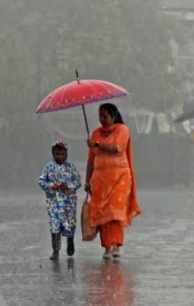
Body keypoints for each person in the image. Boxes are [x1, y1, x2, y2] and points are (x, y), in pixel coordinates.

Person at [85, 103, 142, 259]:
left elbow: (117, 148)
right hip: (100, 180)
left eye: (105, 116)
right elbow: (91, 160)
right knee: (103, 213)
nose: (102, 119)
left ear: (114, 116)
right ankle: (107, 247)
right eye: (100, 116)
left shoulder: (122, 130)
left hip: (120, 178)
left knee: (116, 212)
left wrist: (96, 144)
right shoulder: (95, 133)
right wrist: (87, 181)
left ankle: (116, 245)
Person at [38, 140, 81, 260]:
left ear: (66, 154)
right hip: (54, 202)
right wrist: (51, 186)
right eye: (57, 154)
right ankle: (55, 250)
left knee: (70, 223)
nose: (60, 156)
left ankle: (70, 240)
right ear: (53, 153)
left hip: (69, 203)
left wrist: (67, 186)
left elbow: (78, 182)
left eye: (62, 154)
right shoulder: (48, 167)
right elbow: (41, 181)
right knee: (54, 224)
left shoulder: (71, 167)